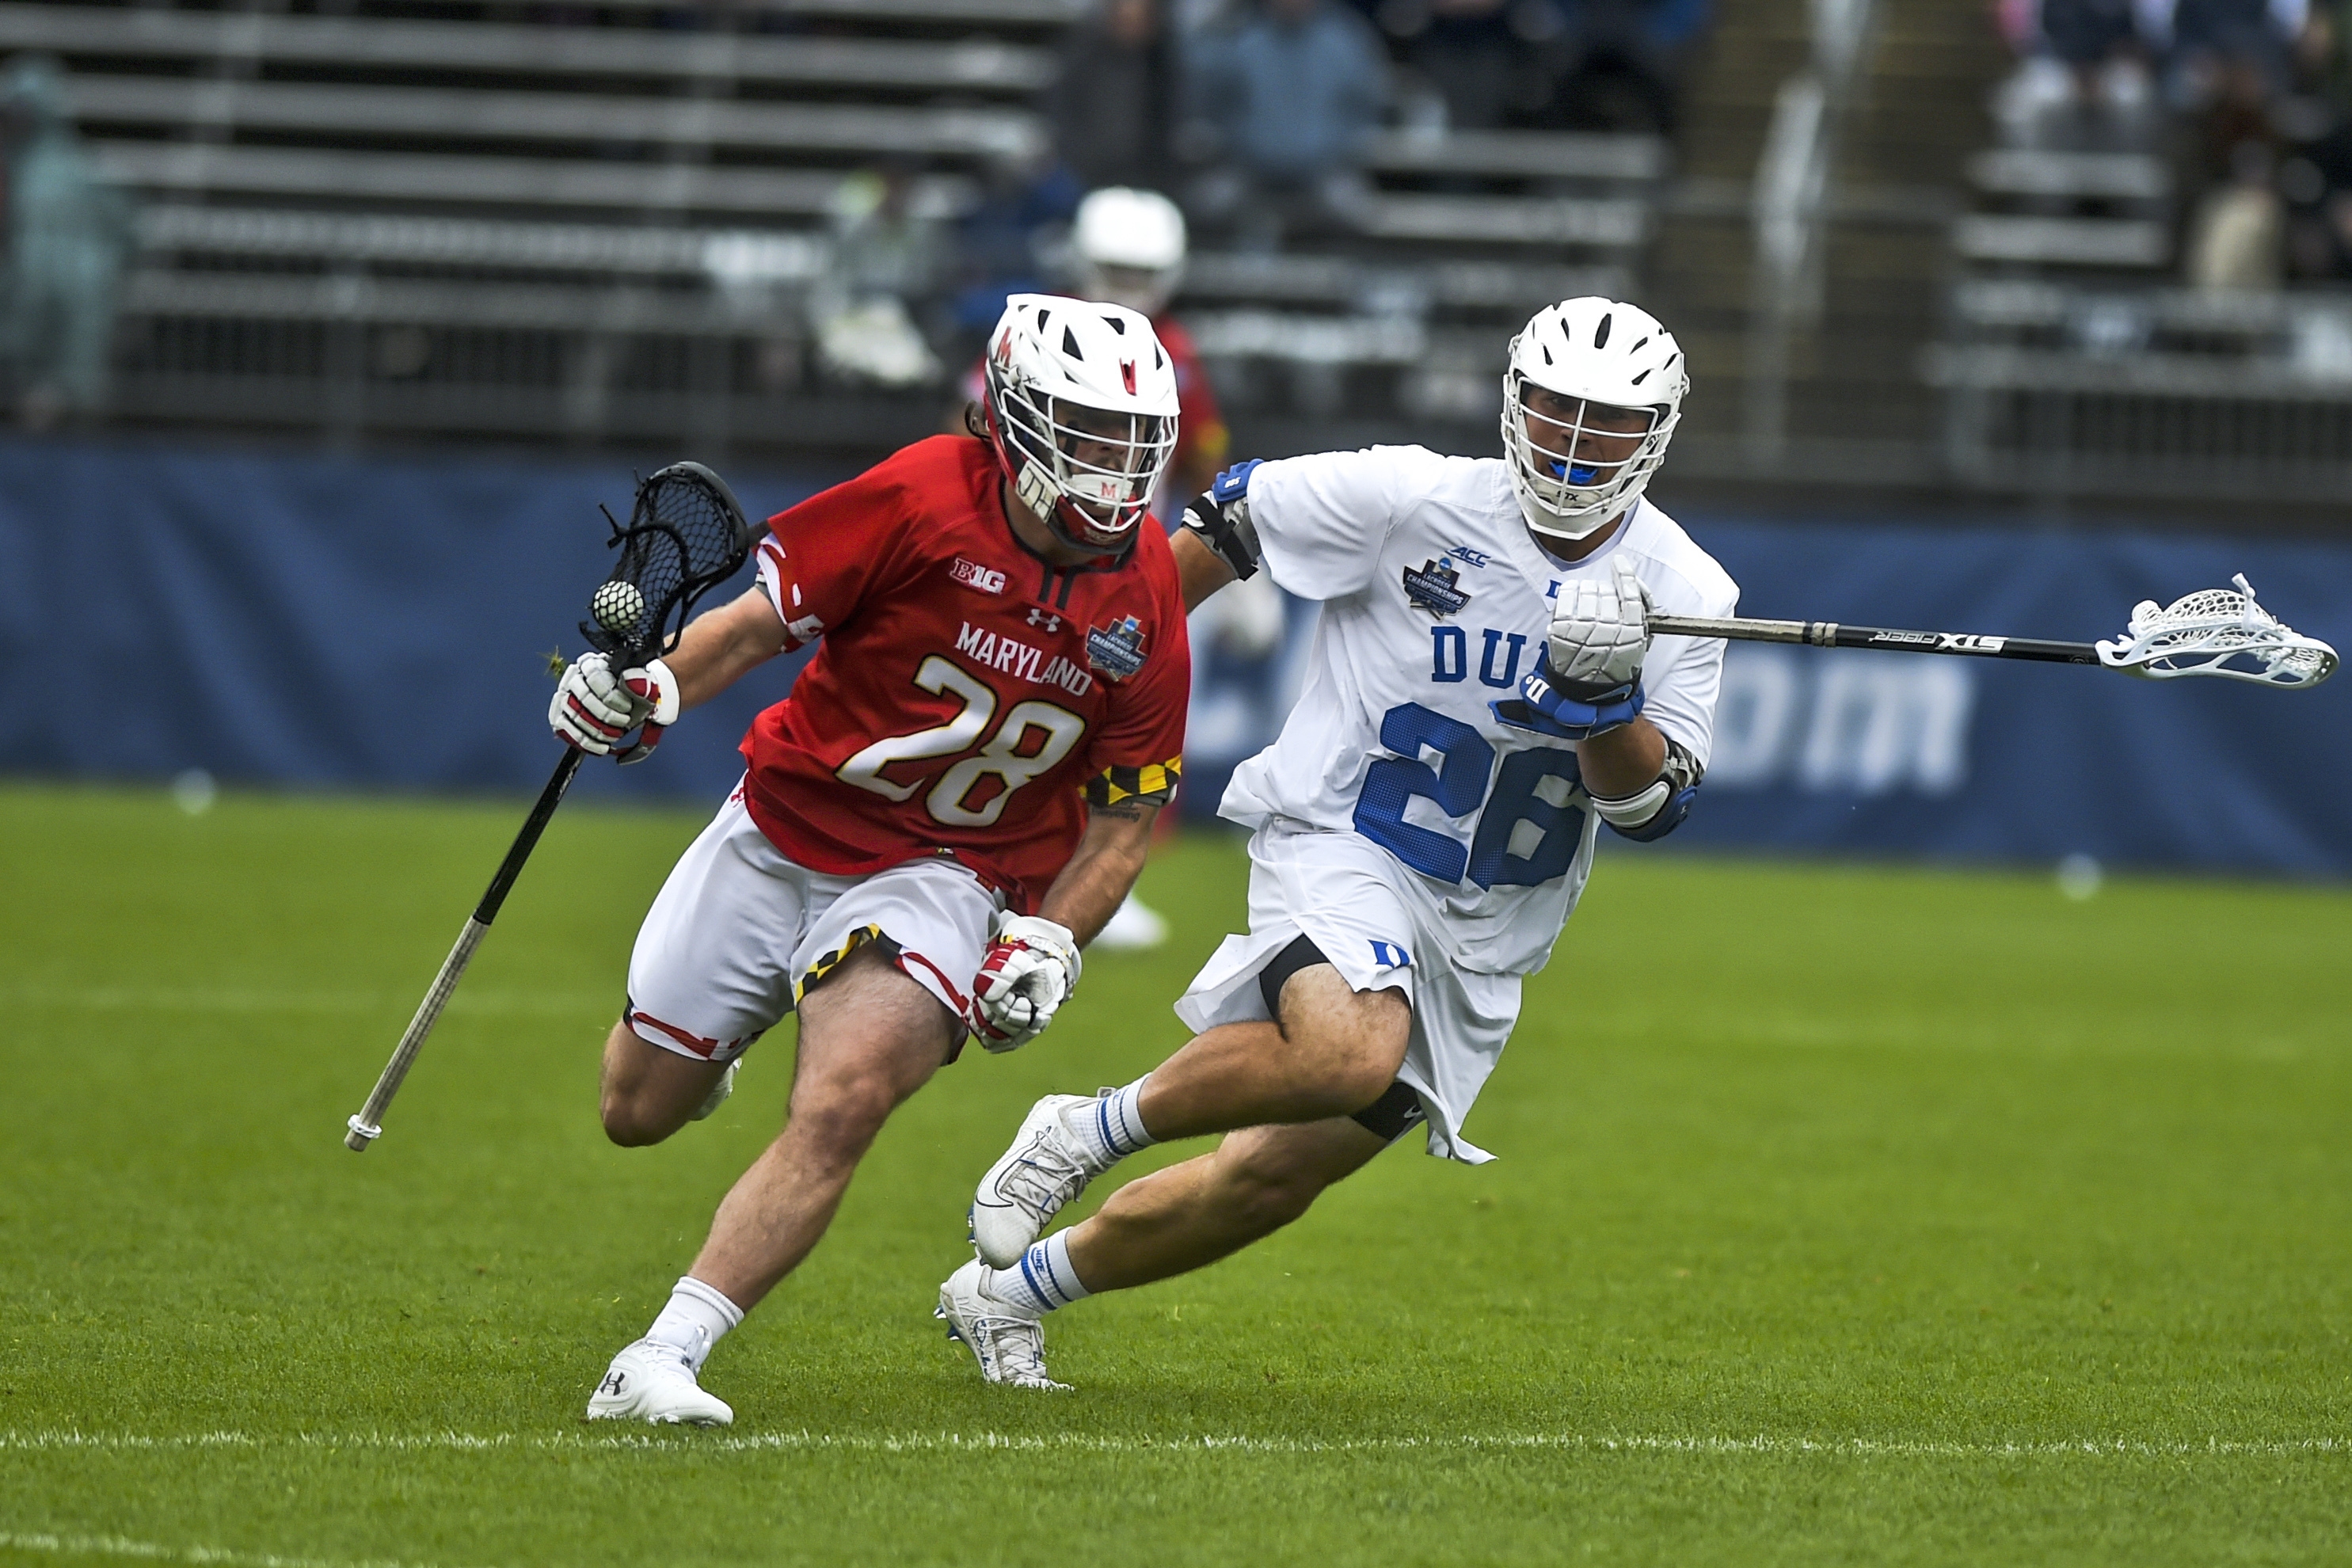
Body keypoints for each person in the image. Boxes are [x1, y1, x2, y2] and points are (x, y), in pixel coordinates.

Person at [934, 297, 1739, 1389]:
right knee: (1343, 1050)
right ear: (1513, 399)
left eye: (1603, 420)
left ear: (1652, 435)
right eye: (1552, 406)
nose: (1569, 438)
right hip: (1343, 837)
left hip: (1484, 925)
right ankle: (1081, 1130)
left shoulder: (1688, 591)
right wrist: (1097, 673)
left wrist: (1604, 708)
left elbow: (1651, 810)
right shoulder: (1412, 497)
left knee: (1266, 1183)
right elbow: (1230, 519)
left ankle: (1006, 1294)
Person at [557, 295, 1193, 1425]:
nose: (1109, 470)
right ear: (1010, 419)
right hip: (785, 827)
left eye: (1130, 444)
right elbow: (755, 627)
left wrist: (1048, 932)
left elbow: (1124, 816)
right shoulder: (919, 493)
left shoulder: (1145, 584)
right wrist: (652, 688)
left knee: (844, 1100)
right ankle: (719, 1048)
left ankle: (662, 1356)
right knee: (636, 1109)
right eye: (1083, 435)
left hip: (946, 871)